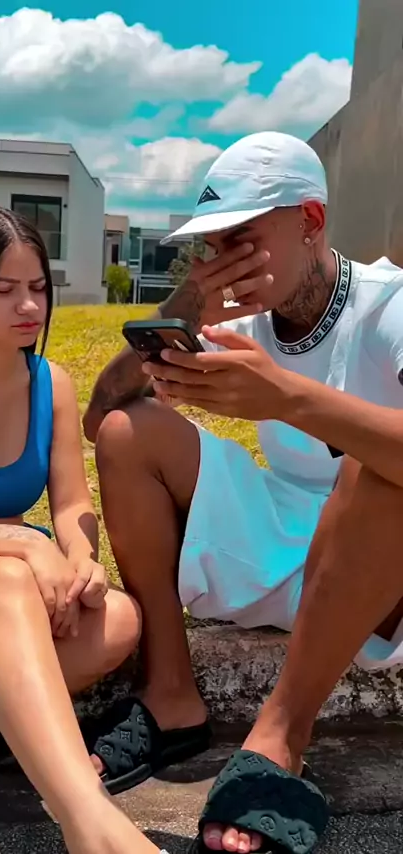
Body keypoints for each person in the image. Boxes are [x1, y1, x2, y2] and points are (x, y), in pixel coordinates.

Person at [83, 132, 403, 854]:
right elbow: (98, 417)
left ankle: (281, 737)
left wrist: (288, 398)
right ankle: (170, 695)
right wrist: (188, 305)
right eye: (213, 244)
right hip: (285, 533)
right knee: (131, 434)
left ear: (310, 221)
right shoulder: (238, 320)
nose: (223, 258)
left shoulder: (390, 305)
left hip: (382, 563)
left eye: (242, 238)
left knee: (376, 465)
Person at [0, 204, 166, 854]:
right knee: (5, 581)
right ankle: (88, 821)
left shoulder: (47, 383)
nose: (29, 306)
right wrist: (24, 542)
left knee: (117, 619)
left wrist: (80, 557)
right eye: (4, 290)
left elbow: (70, 504)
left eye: (37, 286)